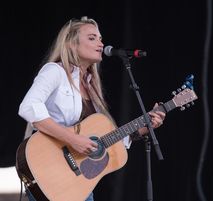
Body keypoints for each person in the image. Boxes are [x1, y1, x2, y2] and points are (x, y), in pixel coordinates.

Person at [18, 16, 166, 201]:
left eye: (100, 38)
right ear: (71, 44)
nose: (101, 44)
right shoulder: (55, 71)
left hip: (79, 183)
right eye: (92, 38)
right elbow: (29, 107)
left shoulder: (91, 86)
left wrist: (145, 127)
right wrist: (73, 139)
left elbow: (102, 139)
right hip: (51, 172)